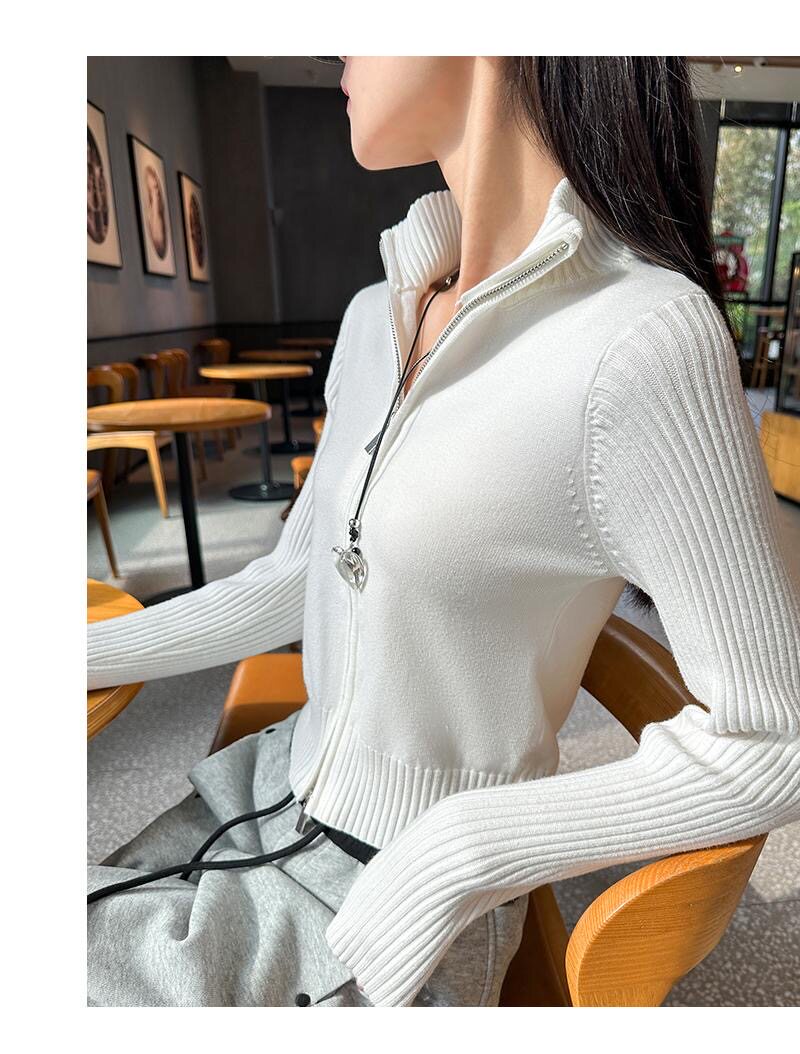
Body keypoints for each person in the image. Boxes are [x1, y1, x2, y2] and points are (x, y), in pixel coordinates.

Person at [87, 57, 800, 1008]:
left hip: (381, 901)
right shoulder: (374, 314)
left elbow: (773, 737)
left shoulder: (641, 340)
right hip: (261, 791)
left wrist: (460, 851)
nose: (339, 49)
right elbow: (295, 578)